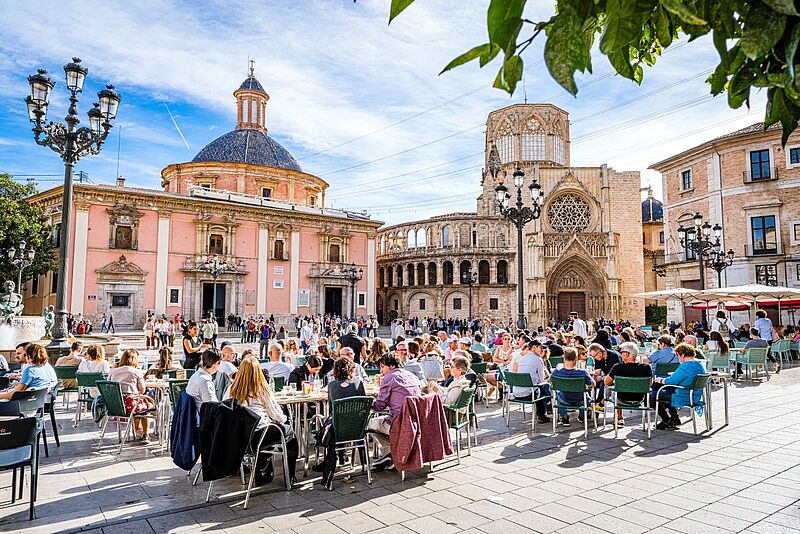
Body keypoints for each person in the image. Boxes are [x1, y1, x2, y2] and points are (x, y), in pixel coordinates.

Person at [226, 356, 298, 486]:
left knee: (270, 430)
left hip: (239, 437)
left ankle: (262, 469)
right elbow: (276, 414)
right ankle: (290, 476)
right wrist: (284, 419)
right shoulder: (261, 388)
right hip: (259, 436)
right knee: (289, 434)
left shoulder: (231, 389)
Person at [369, 353, 422, 471]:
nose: (381, 370)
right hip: (417, 421)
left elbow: (379, 406)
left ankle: (389, 453)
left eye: (382, 367)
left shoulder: (389, 378)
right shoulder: (412, 375)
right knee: (382, 419)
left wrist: (366, 400)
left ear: (392, 366)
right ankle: (392, 454)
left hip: (401, 423)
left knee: (370, 423)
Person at [651, 343, 706, 430]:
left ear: (683, 355)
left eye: (678, 356)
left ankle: (667, 420)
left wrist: (660, 380)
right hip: (695, 395)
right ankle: (674, 418)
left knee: (652, 396)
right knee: (665, 391)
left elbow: (671, 381)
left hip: (684, 396)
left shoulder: (685, 366)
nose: (678, 358)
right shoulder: (698, 364)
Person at [108, 349, 156, 440]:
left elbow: (108, 386)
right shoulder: (136, 371)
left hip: (114, 405)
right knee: (147, 406)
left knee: (137, 403)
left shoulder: (113, 371)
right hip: (130, 405)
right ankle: (145, 434)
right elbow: (142, 390)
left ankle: (137, 429)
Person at [605, 342, 652, 427]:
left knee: (614, 390)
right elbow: (649, 384)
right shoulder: (646, 367)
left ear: (627, 354)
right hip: (639, 399)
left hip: (621, 400)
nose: (620, 354)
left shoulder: (617, 367)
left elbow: (606, 382)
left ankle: (619, 417)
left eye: (622, 352)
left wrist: (617, 382)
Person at [510, 340, 551, 424]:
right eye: (540, 348)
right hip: (529, 394)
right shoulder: (538, 359)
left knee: (537, 388)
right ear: (534, 347)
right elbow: (541, 380)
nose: (542, 350)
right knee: (543, 387)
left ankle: (546, 405)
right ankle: (544, 412)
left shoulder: (522, 359)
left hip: (516, 393)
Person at [551, 347, 593, 425]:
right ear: (576, 358)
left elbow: (551, 381)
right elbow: (592, 384)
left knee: (557, 393)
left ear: (564, 358)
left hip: (564, 399)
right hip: (580, 400)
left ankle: (564, 417)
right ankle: (582, 416)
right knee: (586, 393)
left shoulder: (556, 372)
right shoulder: (583, 373)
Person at [186, 349, 222, 415]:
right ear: (216, 364)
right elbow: (212, 407)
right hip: (202, 418)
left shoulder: (195, 375)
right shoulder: (205, 381)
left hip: (193, 414)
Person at [588, 343, 622, 411]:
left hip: (616, 380)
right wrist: (594, 375)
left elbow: (616, 373)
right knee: (590, 382)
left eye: (594, 356)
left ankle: (599, 403)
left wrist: (602, 377)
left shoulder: (614, 356)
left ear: (600, 353)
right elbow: (598, 370)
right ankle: (590, 403)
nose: (594, 358)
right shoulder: (599, 358)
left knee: (602, 383)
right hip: (605, 378)